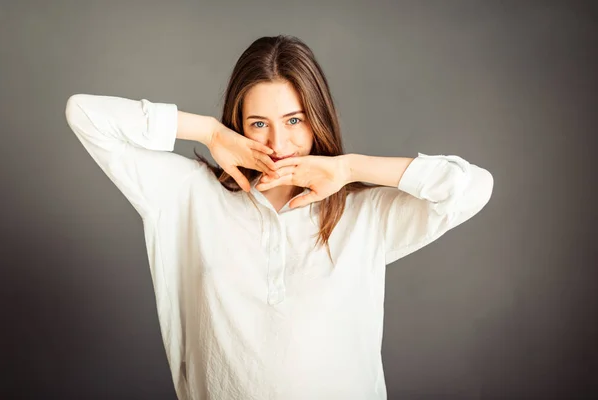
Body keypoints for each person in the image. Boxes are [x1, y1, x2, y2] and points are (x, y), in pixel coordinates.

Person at [64, 35, 493, 400]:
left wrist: (348, 168)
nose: (279, 143)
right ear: (239, 125)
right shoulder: (189, 194)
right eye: (257, 123)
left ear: (317, 119)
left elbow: (472, 187)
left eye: (294, 120)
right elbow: (84, 114)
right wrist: (210, 132)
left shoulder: (364, 212)